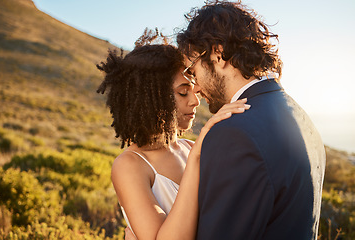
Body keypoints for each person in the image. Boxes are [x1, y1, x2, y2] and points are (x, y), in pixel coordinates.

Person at [177, 1, 326, 239]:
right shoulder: (299, 116)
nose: (195, 87)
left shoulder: (233, 133)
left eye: (192, 70)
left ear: (218, 53)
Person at [96, 31, 250, 240]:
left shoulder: (189, 147)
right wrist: (196, 158)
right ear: (151, 99)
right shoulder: (130, 165)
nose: (195, 101)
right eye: (183, 92)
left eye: (194, 90)